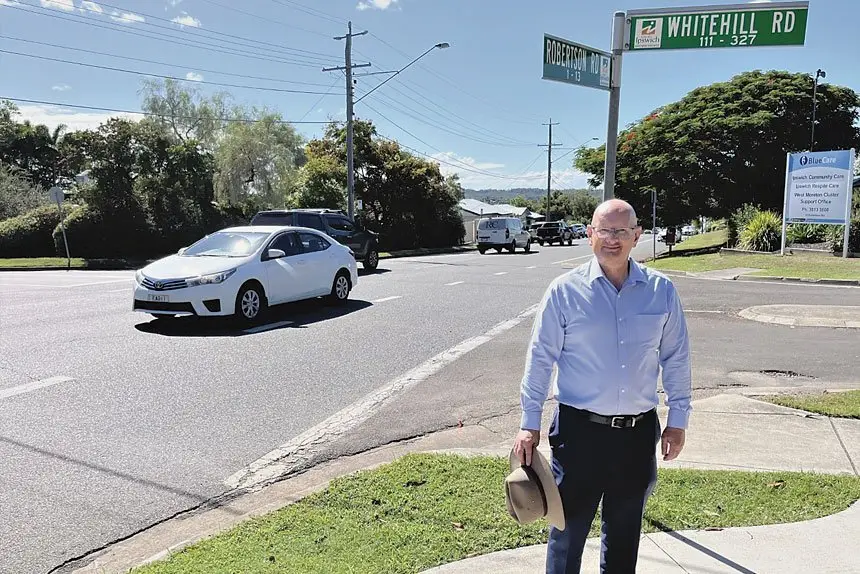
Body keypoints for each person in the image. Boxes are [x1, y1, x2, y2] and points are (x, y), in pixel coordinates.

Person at [513, 199, 692, 574]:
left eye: (622, 231)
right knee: (567, 533)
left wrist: (678, 419)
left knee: (625, 537)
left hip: (637, 435)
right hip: (579, 435)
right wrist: (529, 424)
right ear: (590, 234)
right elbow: (540, 357)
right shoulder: (564, 291)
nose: (613, 239)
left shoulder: (661, 291)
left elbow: (676, 357)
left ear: (637, 236)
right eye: (605, 230)